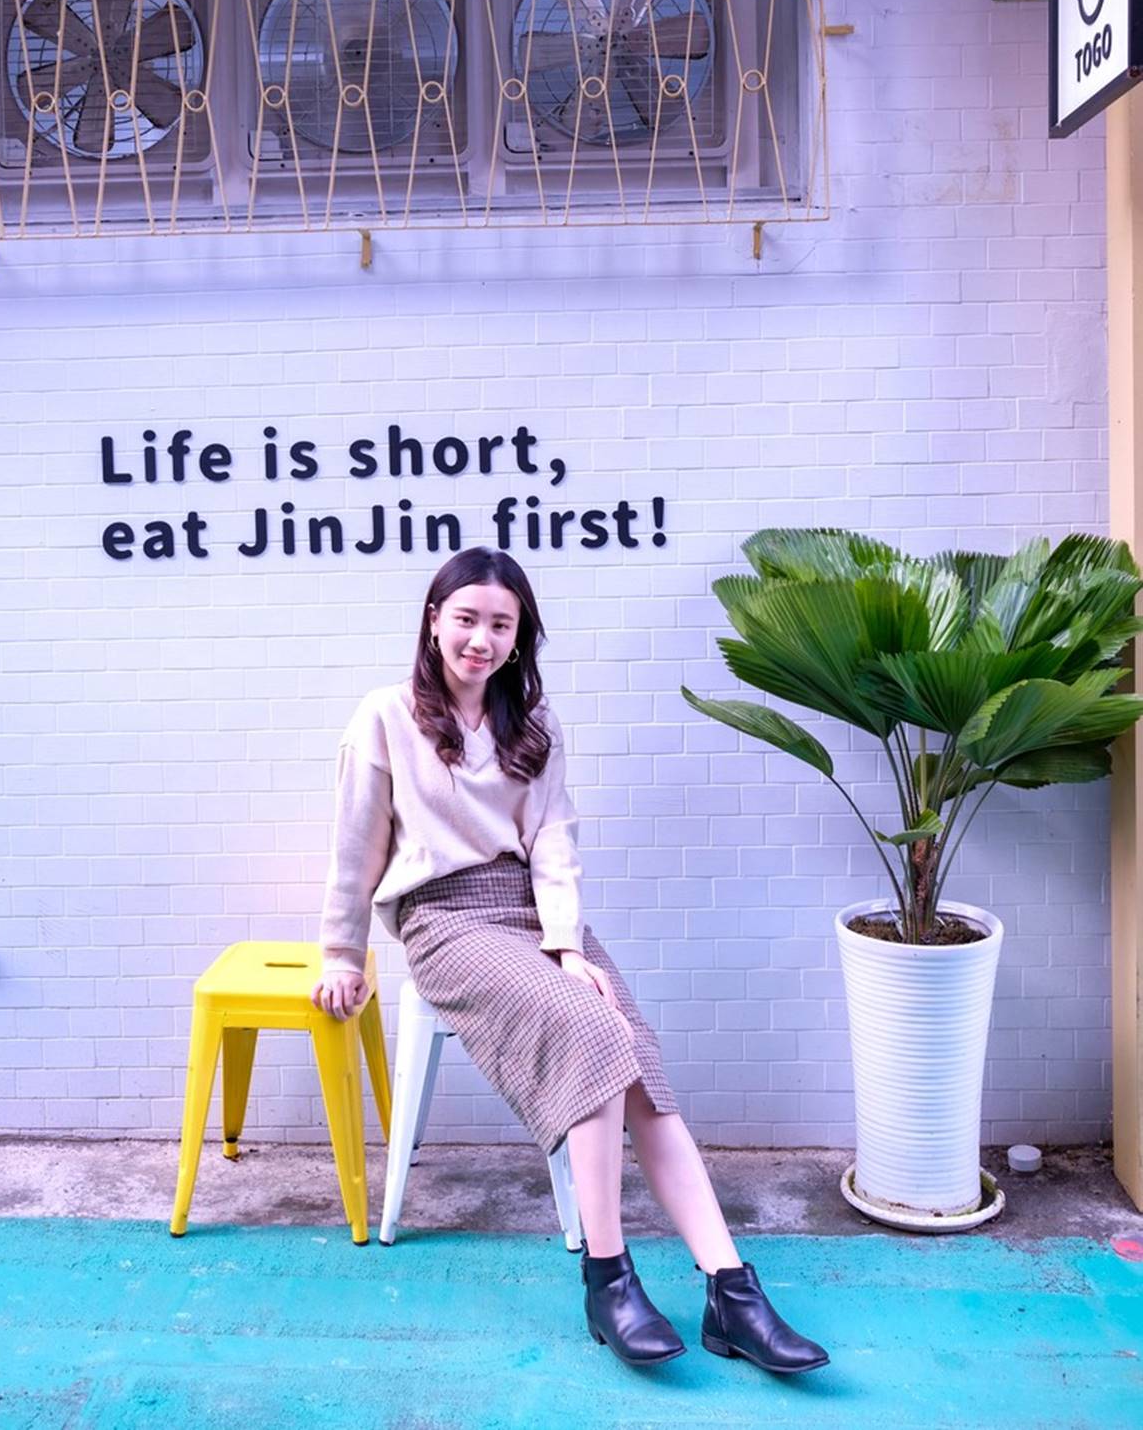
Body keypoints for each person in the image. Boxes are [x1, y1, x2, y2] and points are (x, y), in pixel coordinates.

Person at [311, 546, 829, 1375]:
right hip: (445, 921)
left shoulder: (536, 724)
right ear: (434, 622)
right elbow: (355, 845)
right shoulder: (384, 716)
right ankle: (607, 1278)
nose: (481, 639)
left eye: (501, 625)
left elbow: (554, 842)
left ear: (519, 637)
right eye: (466, 619)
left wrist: (564, 943)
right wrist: (342, 952)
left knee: (636, 1058)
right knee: (589, 1030)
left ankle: (732, 1291)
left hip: (532, 911)